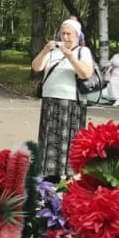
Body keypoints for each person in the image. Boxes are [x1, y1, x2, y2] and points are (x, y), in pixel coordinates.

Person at [31, 18, 94, 179]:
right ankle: (48, 173)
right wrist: (45, 50)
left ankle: (68, 174)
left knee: (68, 139)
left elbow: (86, 73)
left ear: (77, 35)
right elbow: (36, 67)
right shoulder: (53, 51)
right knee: (49, 137)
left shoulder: (83, 51)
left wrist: (72, 57)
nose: (65, 37)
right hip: (50, 100)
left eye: (69, 34)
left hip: (71, 102)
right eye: (63, 33)